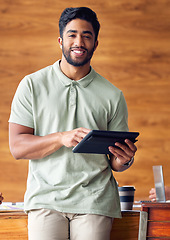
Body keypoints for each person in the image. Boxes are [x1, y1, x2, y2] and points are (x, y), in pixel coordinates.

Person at [9, 7, 137, 240]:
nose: (79, 42)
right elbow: (17, 147)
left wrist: (124, 159)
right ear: (60, 40)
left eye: (87, 36)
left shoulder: (113, 95)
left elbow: (116, 164)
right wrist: (60, 137)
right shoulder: (31, 85)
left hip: (95, 201)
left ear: (96, 43)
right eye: (72, 34)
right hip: (45, 199)